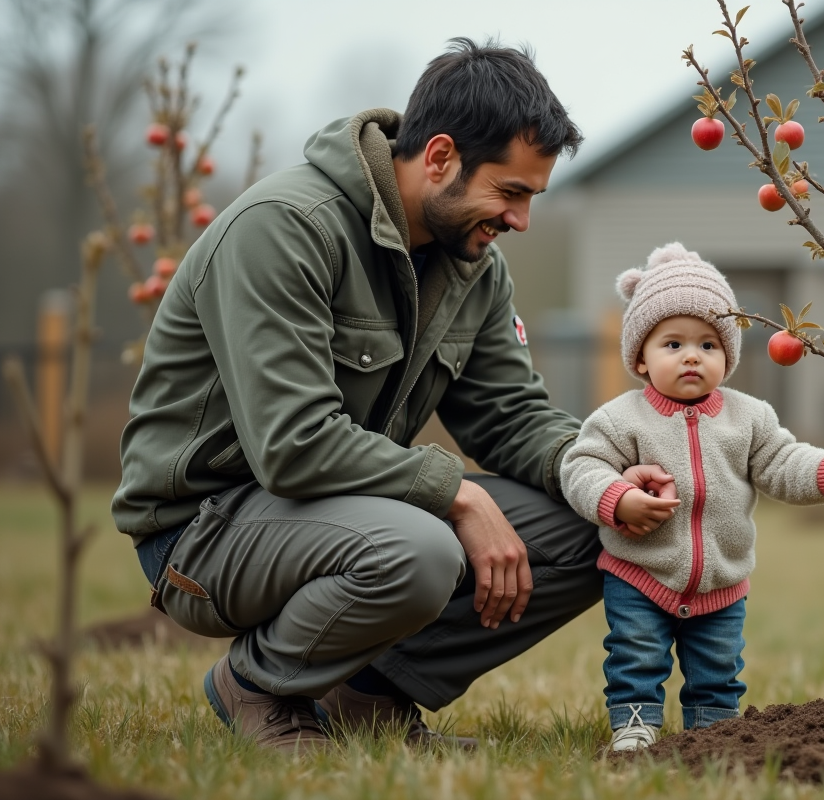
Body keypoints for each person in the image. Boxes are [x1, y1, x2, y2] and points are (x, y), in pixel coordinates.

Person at [111, 39, 647, 754]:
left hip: (343, 509)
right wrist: (459, 492)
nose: (520, 220)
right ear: (439, 158)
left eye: (531, 198)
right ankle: (261, 685)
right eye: (510, 192)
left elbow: (510, 416)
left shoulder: (472, 265)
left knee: (597, 521)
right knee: (419, 549)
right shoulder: (285, 229)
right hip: (204, 529)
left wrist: (610, 474)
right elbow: (294, 444)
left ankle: (370, 699)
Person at [560, 242, 824, 752]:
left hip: (722, 579)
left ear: (727, 357)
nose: (692, 355)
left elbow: (781, 462)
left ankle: (712, 732)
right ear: (640, 358)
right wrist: (615, 497)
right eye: (672, 344)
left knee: (718, 665)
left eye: (709, 345)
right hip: (640, 571)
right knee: (636, 655)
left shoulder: (748, 416)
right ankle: (635, 725)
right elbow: (580, 466)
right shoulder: (620, 418)